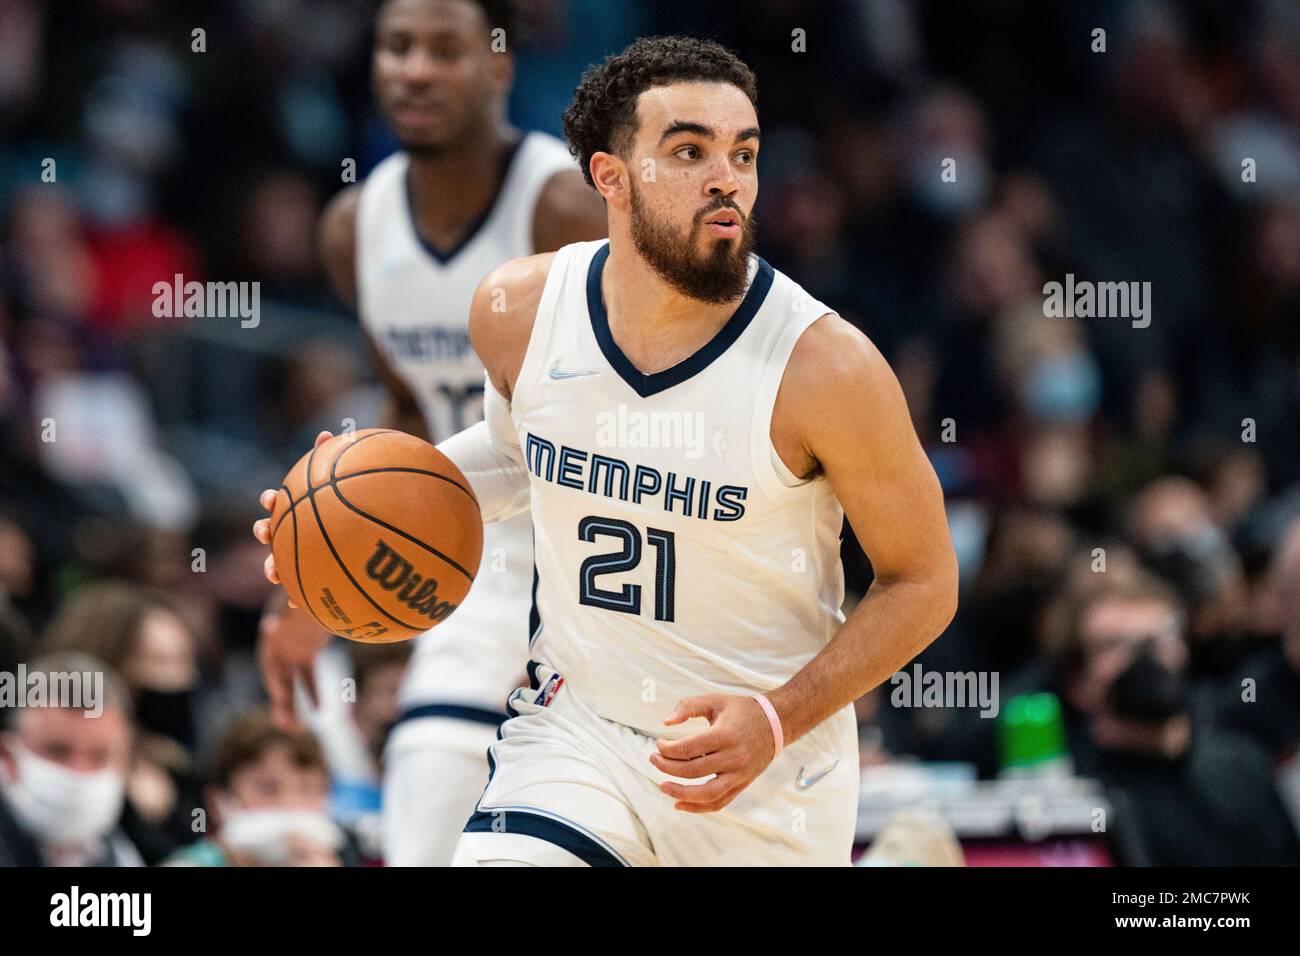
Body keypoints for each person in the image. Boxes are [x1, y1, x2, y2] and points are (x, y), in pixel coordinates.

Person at [256, 35, 958, 866]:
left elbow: (924, 582)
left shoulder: (826, 367)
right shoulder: (519, 309)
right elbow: (521, 458)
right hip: (577, 735)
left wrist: (777, 718)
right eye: (688, 150)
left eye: (744, 152)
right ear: (610, 178)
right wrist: (334, 535)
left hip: (763, 771)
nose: (726, 176)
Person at [257, 0, 606, 866]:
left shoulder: (562, 205)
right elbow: (409, 418)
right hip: (467, 562)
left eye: (445, 50)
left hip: (595, 559)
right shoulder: (354, 228)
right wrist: (308, 588)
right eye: (398, 47)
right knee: (421, 823)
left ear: (498, 67)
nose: (415, 69)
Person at [1055, 574, 1300, 866]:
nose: (1147, 656)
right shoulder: (1071, 804)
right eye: (1117, 644)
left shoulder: (1243, 764)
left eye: (1161, 637)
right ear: (1077, 683)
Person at [164, 710, 361, 867]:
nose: (290, 804)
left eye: (308, 789)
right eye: (268, 789)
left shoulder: (351, 857)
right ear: (219, 802)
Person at [0, 652, 141, 866]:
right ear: (7, 754)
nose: (79, 771)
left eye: (99, 755)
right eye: (57, 751)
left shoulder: (120, 854)